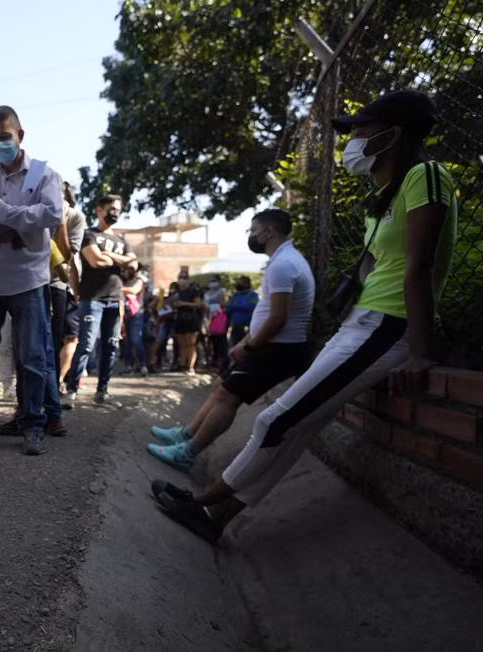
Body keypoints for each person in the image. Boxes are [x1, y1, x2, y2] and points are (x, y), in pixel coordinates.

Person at [153, 89, 457, 543]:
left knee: (272, 421)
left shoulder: (426, 176)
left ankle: (201, 502)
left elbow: (419, 268)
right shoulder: (384, 198)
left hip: (386, 326)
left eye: (361, 131)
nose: (351, 141)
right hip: (362, 324)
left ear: (393, 136)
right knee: (295, 428)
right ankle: (216, 521)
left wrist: (420, 350)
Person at [147, 209, 315, 472]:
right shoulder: (283, 260)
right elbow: (268, 314)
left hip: (278, 348)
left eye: (253, 230)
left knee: (228, 396)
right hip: (267, 343)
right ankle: (186, 435)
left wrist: (250, 345)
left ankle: (187, 453)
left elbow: (278, 318)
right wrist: (245, 341)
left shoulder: (284, 264)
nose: (251, 235)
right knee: (221, 386)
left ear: (269, 232)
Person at [0, 105, 64, 455]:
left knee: (32, 357)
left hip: (27, 280)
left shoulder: (43, 175)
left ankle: (33, 424)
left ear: (20, 135)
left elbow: (52, 214)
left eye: (4, 137)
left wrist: (7, 216)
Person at [61, 194, 138, 409]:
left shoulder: (122, 241)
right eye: (111, 208)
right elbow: (95, 261)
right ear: (99, 210)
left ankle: (102, 392)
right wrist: (122, 261)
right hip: (92, 298)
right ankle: (71, 391)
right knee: (85, 345)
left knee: (110, 346)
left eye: (118, 209)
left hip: (116, 300)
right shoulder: (89, 235)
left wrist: (111, 256)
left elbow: (134, 265)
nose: (115, 213)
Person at [52, 182, 85, 387]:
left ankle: (56, 383)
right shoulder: (35, 210)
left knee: (65, 339)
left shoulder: (74, 217)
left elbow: (67, 256)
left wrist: (61, 223)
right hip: (31, 284)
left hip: (61, 287)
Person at [171, 270, 203, 373]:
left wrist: (184, 304)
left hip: (191, 319)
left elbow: (198, 304)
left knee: (191, 344)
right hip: (179, 319)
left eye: (184, 277)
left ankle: (190, 366)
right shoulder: (177, 292)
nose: (182, 280)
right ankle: (182, 365)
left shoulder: (193, 290)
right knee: (182, 344)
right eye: (180, 277)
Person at [120, 265, 149, 376]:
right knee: (127, 342)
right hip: (125, 313)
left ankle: (142, 365)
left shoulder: (139, 280)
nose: (125, 271)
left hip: (136, 314)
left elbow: (133, 290)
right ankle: (129, 366)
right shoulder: (124, 280)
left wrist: (115, 288)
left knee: (136, 339)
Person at [203, 274, 229, 370]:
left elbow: (224, 303)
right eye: (211, 281)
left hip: (219, 319)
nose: (213, 283)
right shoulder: (207, 294)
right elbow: (204, 306)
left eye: (215, 281)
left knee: (221, 341)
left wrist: (216, 307)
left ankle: (222, 361)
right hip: (209, 319)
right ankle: (213, 360)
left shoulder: (222, 291)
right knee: (211, 341)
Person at [226, 275, 258, 347]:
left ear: (246, 284)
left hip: (248, 326)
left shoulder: (253, 295)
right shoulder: (234, 296)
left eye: (240, 282)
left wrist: (235, 307)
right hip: (235, 326)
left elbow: (252, 307)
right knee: (234, 346)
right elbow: (228, 308)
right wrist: (241, 307)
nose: (238, 284)